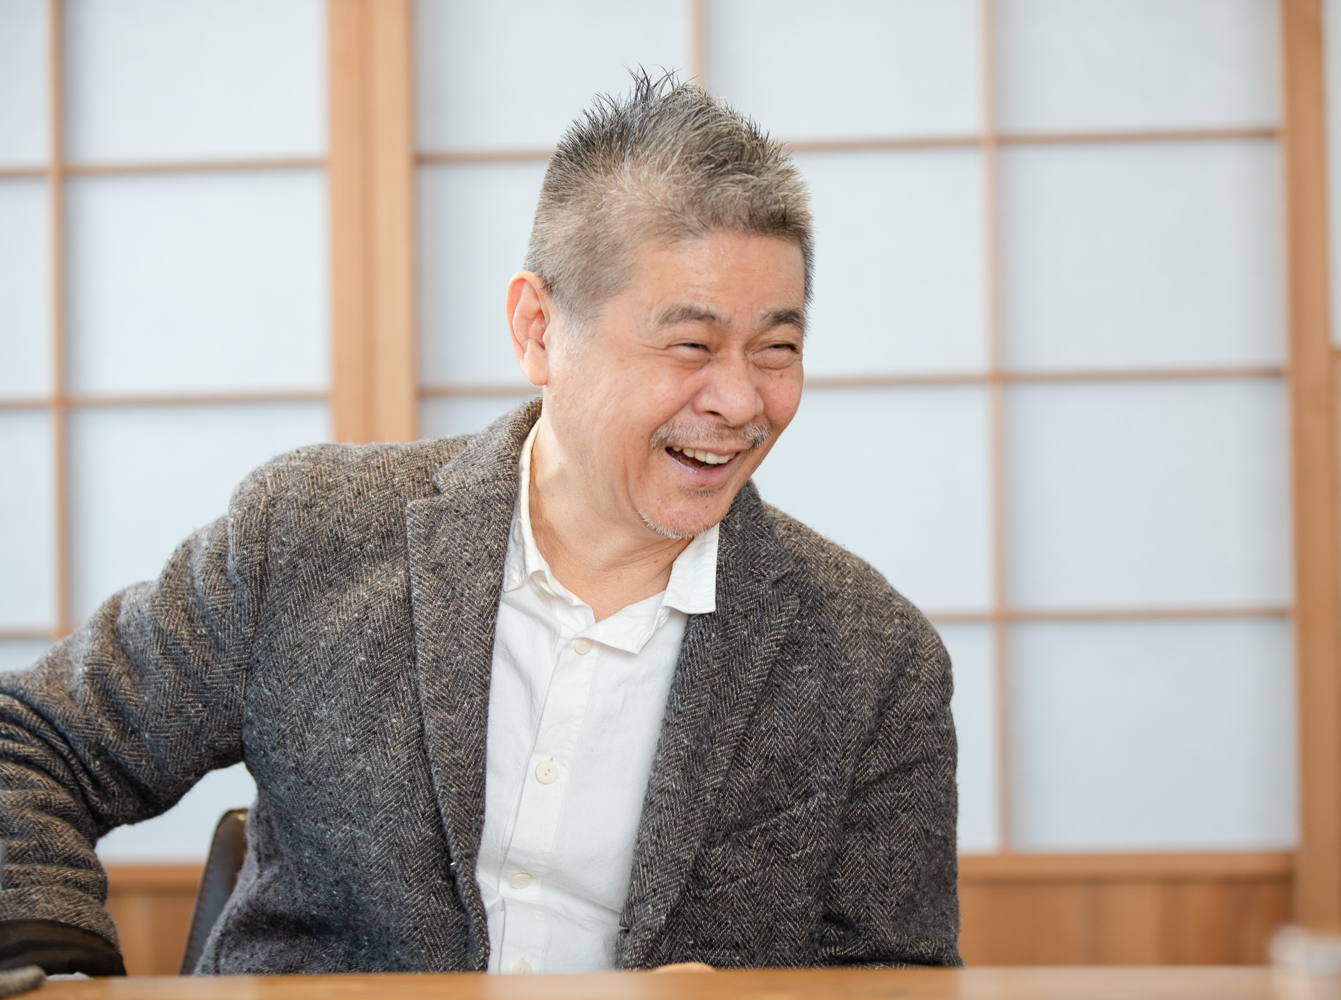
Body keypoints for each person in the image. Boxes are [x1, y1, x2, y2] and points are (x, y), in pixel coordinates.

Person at [0, 74, 959, 976]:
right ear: (538, 329)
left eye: (777, 348)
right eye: (691, 344)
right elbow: (32, 740)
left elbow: (897, 979)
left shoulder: (874, 661)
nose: (741, 401)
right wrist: (52, 956)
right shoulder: (305, 539)